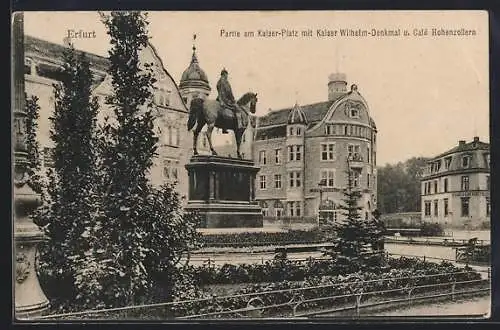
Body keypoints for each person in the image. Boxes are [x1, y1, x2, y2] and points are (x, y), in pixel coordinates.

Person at [216, 68, 238, 133]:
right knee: (236, 109)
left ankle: (224, 127)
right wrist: (233, 100)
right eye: (226, 74)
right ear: (224, 74)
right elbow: (229, 92)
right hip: (225, 99)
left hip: (219, 98)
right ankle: (234, 125)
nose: (227, 76)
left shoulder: (219, 81)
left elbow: (218, 89)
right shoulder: (225, 82)